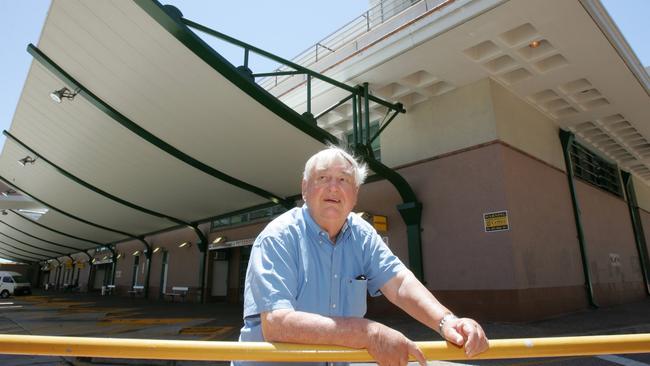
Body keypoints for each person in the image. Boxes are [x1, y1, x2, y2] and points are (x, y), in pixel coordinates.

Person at [235, 146, 489, 366]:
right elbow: (277, 324)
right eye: (323, 177)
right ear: (305, 188)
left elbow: (399, 283)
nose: (333, 187)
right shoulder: (278, 237)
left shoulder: (362, 234)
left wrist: (447, 322)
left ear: (355, 194)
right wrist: (369, 333)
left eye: (344, 180)